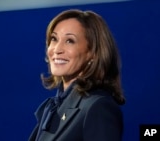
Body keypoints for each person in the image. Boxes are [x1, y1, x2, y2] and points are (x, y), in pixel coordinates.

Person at [29, 9, 125, 141]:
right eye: (54, 39)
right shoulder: (53, 108)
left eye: (70, 41)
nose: (57, 49)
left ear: (93, 53)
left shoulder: (98, 107)